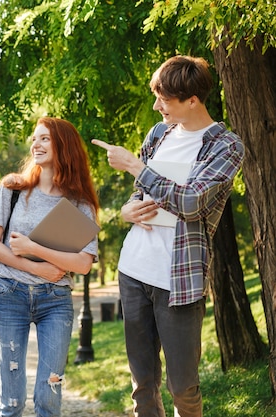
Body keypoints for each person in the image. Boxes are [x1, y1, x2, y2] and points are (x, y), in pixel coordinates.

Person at [92, 55, 245, 417]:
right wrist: (127, 210)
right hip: (134, 270)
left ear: (192, 99)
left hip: (179, 279)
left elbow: (191, 202)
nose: (156, 105)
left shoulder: (226, 146)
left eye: (164, 99)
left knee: (183, 389)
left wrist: (135, 165)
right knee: (142, 386)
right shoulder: (158, 133)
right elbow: (141, 193)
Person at [0, 117, 99, 416]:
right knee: (11, 401)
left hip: (55, 302)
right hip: (10, 295)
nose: (36, 144)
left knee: (48, 396)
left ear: (64, 146)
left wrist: (34, 249)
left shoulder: (80, 204)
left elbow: (83, 264)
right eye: (35, 138)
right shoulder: (13, 189)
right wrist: (38, 267)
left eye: (45, 138)